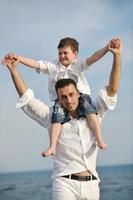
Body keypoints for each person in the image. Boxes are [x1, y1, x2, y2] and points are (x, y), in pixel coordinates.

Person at [3, 38, 122, 200]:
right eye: (63, 97)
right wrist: (14, 70)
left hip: (92, 184)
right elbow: (27, 99)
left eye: (71, 95)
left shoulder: (93, 112)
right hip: (64, 184)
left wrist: (116, 56)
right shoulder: (52, 117)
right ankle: (52, 147)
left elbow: (112, 90)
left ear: (78, 93)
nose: (68, 100)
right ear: (58, 98)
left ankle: (100, 139)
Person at [5, 37, 117, 156]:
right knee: (56, 119)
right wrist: (20, 59)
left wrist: (107, 49)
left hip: (81, 96)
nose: (62, 56)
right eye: (60, 53)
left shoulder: (78, 64)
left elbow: (94, 58)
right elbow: (36, 64)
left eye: (65, 53)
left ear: (75, 54)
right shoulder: (53, 66)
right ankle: (52, 146)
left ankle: (99, 139)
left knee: (91, 113)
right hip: (60, 99)